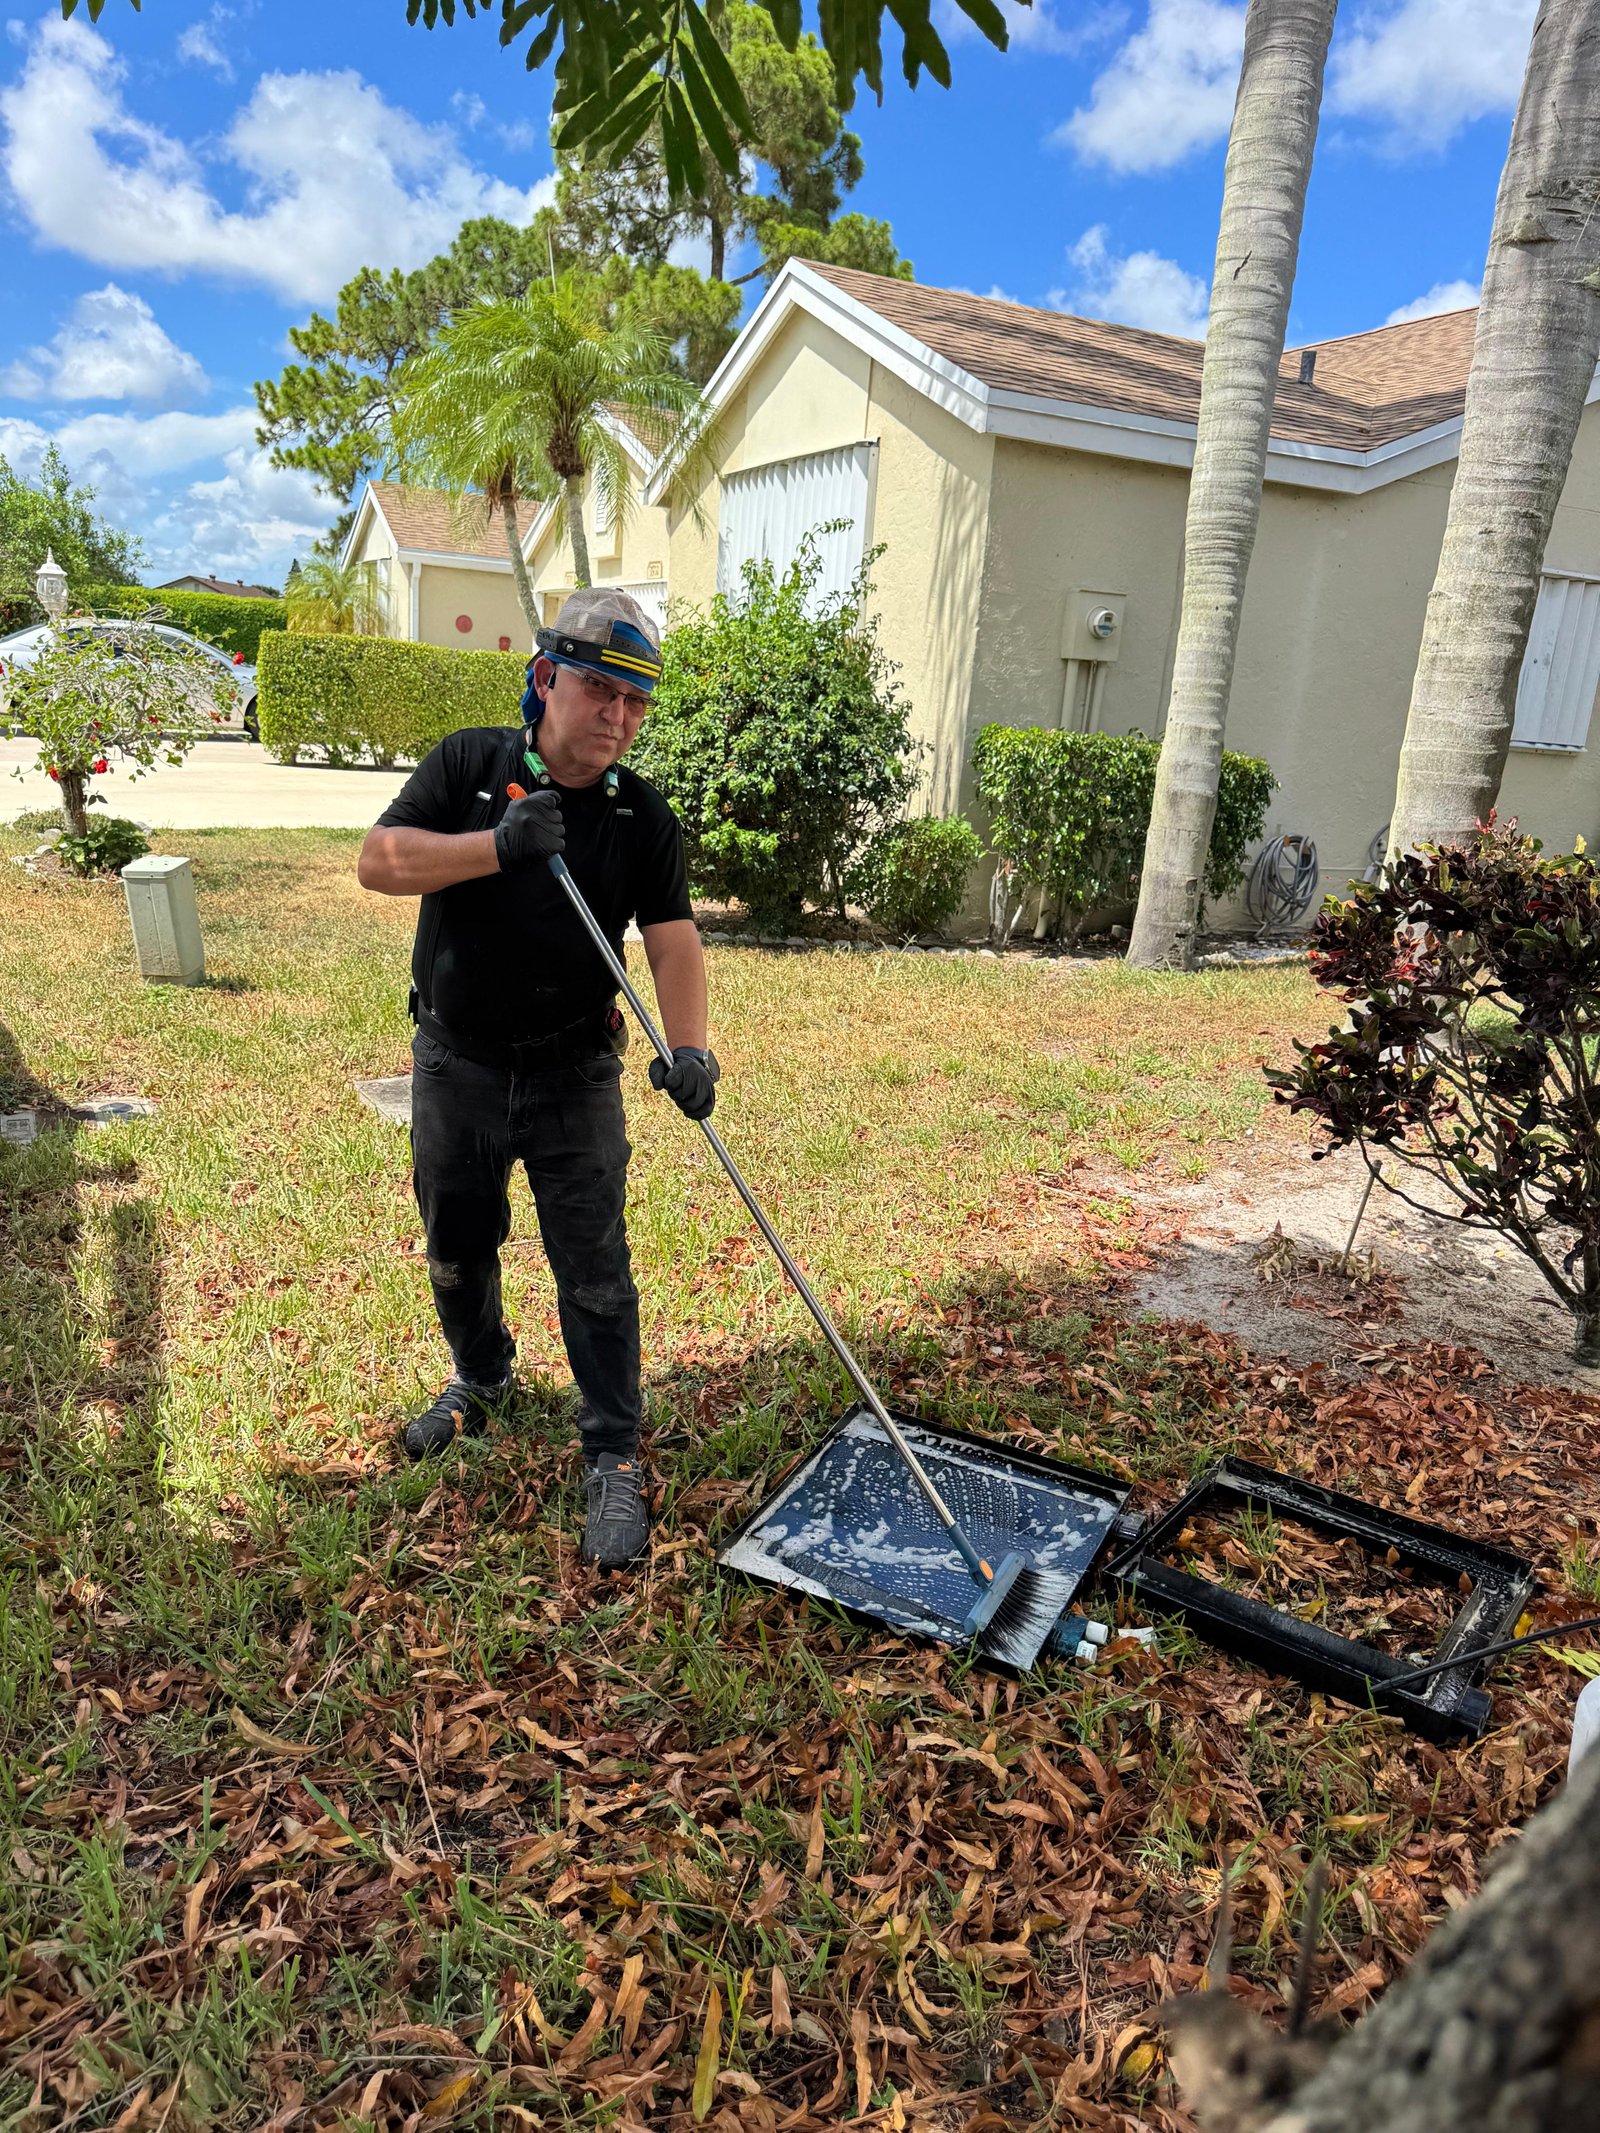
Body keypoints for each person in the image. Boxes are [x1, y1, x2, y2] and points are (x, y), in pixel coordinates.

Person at [357, 588, 716, 1570]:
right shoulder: (470, 765)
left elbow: (674, 941)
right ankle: (481, 1380)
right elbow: (378, 863)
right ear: (545, 677)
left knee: (596, 1274)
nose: (618, 718)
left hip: (574, 1074)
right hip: (457, 1063)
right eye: (601, 689)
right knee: (458, 1247)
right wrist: (497, 847)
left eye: (637, 704)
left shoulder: (640, 816)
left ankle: (610, 1453)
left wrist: (689, 1047)